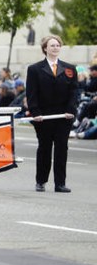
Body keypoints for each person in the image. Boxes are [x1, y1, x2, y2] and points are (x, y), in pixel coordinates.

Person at [26, 35, 78, 193]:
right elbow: (32, 93)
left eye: (57, 45)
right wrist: (35, 112)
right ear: (45, 49)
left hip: (64, 116)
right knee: (44, 149)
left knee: (62, 148)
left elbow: (74, 91)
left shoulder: (69, 68)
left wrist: (71, 109)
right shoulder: (35, 69)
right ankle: (41, 181)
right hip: (44, 116)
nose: (55, 48)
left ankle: (60, 183)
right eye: (52, 45)